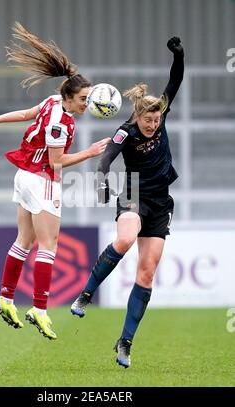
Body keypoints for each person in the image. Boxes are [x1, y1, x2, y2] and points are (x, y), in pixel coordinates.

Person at [0, 22, 110, 340]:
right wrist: (90, 152)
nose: (86, 104)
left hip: (23, 176)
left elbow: (26, 114)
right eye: (82, 99)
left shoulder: (51, 104)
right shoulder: (60, 123)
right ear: (68, 96)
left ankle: (6, 298)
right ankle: (39, 308)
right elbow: (56, 161)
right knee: (49, 246)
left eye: (88, 98)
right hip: (41, 180)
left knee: (24, 241)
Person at [71, 37, 184, 366]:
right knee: (124, 238)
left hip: (161, 202)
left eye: (157, 121)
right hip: (134, 191)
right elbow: (106, 159)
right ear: (137, 117)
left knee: (147, 274)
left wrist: (179, 55)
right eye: (148, 121)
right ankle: (86, 293)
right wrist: (103, 179)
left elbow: (175, 80)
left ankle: (125, 342)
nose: (153, 125)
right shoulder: (125, 132)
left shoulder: (160, 115)